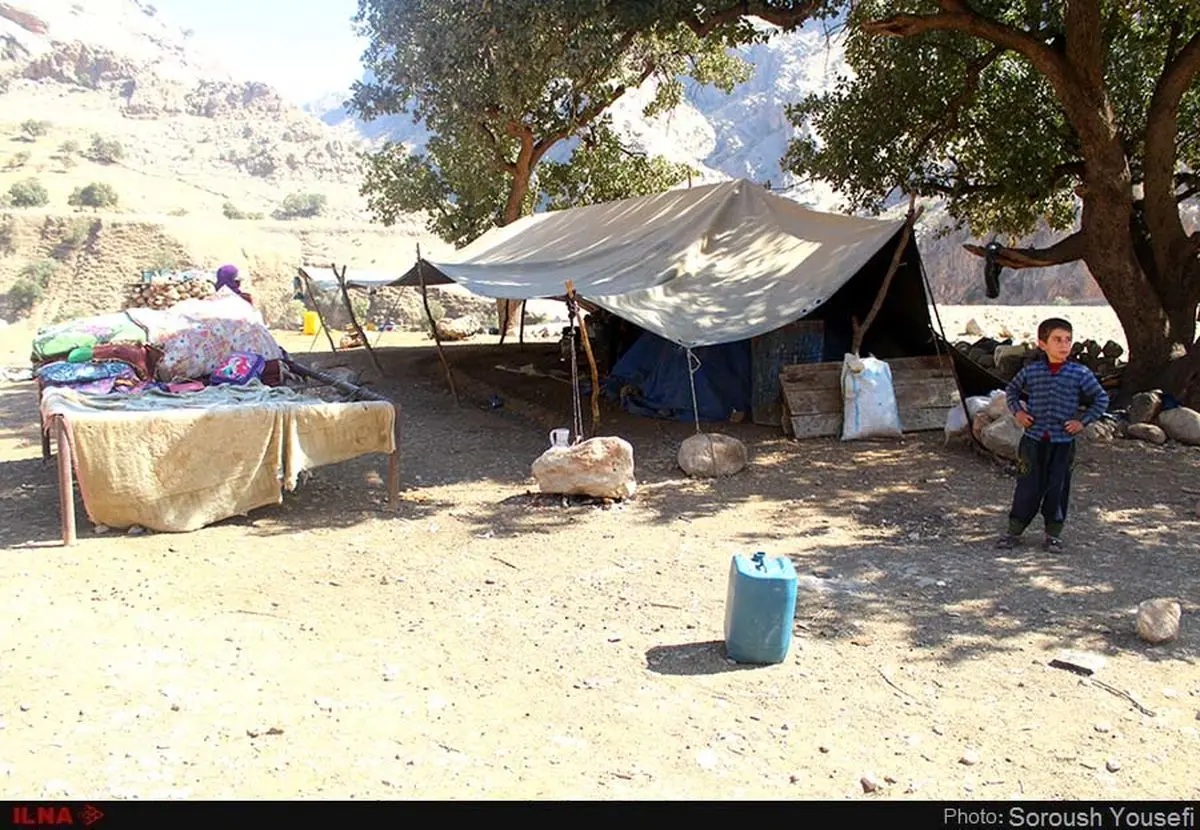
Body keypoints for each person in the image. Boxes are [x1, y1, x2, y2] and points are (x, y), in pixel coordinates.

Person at [997, 317, 1109, 552]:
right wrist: (1018, 413)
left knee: (1058, 487)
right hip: (1033, 441)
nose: (1064, 345)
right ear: (1042, 344)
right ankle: (1014, 531)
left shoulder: (1080, 373)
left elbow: (1101, 398)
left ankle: (1053, 534)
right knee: (1027, 485)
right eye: (1057, 340)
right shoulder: (1032, 371)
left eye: (1068, 340)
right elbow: (1012, 391)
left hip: (1063, 442)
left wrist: (1082, 422)